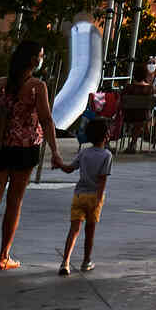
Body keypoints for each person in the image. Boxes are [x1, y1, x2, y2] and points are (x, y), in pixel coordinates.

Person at [0, 38, 74, 267]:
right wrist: (55, 151)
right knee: (14, 202)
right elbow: (46, 119)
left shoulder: (2, 83)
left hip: (1, 148)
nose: (42, 59)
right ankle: (3, 256)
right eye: (41, 56)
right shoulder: (36, 87)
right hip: (25, 150)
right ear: (33, 60)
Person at [60, 117, 112, 274]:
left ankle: (65, 262)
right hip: (94, 196)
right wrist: (99, 199)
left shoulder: (84, 153)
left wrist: (59, 164)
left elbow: (69, 169)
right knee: (90, 231)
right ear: (106, 136)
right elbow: (102, 180)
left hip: (79, 195)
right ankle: (86, 261)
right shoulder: (107, 155)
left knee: (74, 229)